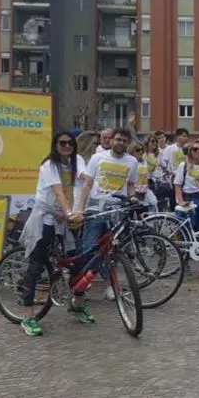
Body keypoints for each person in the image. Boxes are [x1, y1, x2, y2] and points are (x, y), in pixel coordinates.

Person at [17, 131, 84, 336]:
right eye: (62, 143)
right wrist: (70, 212)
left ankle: (77, 304)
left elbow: (84, 182)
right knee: (36, 265)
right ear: (55, 145)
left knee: (75, 262)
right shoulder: (49, 166)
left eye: (70, 143)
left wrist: (78, 210)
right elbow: (58, 192)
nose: (66, 146)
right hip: (45, 218)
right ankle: (28, 316)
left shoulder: (76, 161)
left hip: (63, 219)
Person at [77, 127, 139, 301]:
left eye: (124, 141)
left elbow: (131, 185)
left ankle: (111, 286)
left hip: (117, 210)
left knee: (112, 251)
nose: (120, 143)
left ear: (128, 144)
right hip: (97, 208)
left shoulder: (132, 161)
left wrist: (132, 197)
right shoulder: (97, 158)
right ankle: (83, 282)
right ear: (111, 141)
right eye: (117, 139)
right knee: (89, 248)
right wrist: (81, 209)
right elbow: (87, 185)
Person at [174, 139, 199, 275]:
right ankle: (184, 263)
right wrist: (180, 200)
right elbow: (178, 184)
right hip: (189, 200)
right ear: (190, 151)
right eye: (195, 149)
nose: (198, 152)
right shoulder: (183, 165)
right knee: (186, 232)